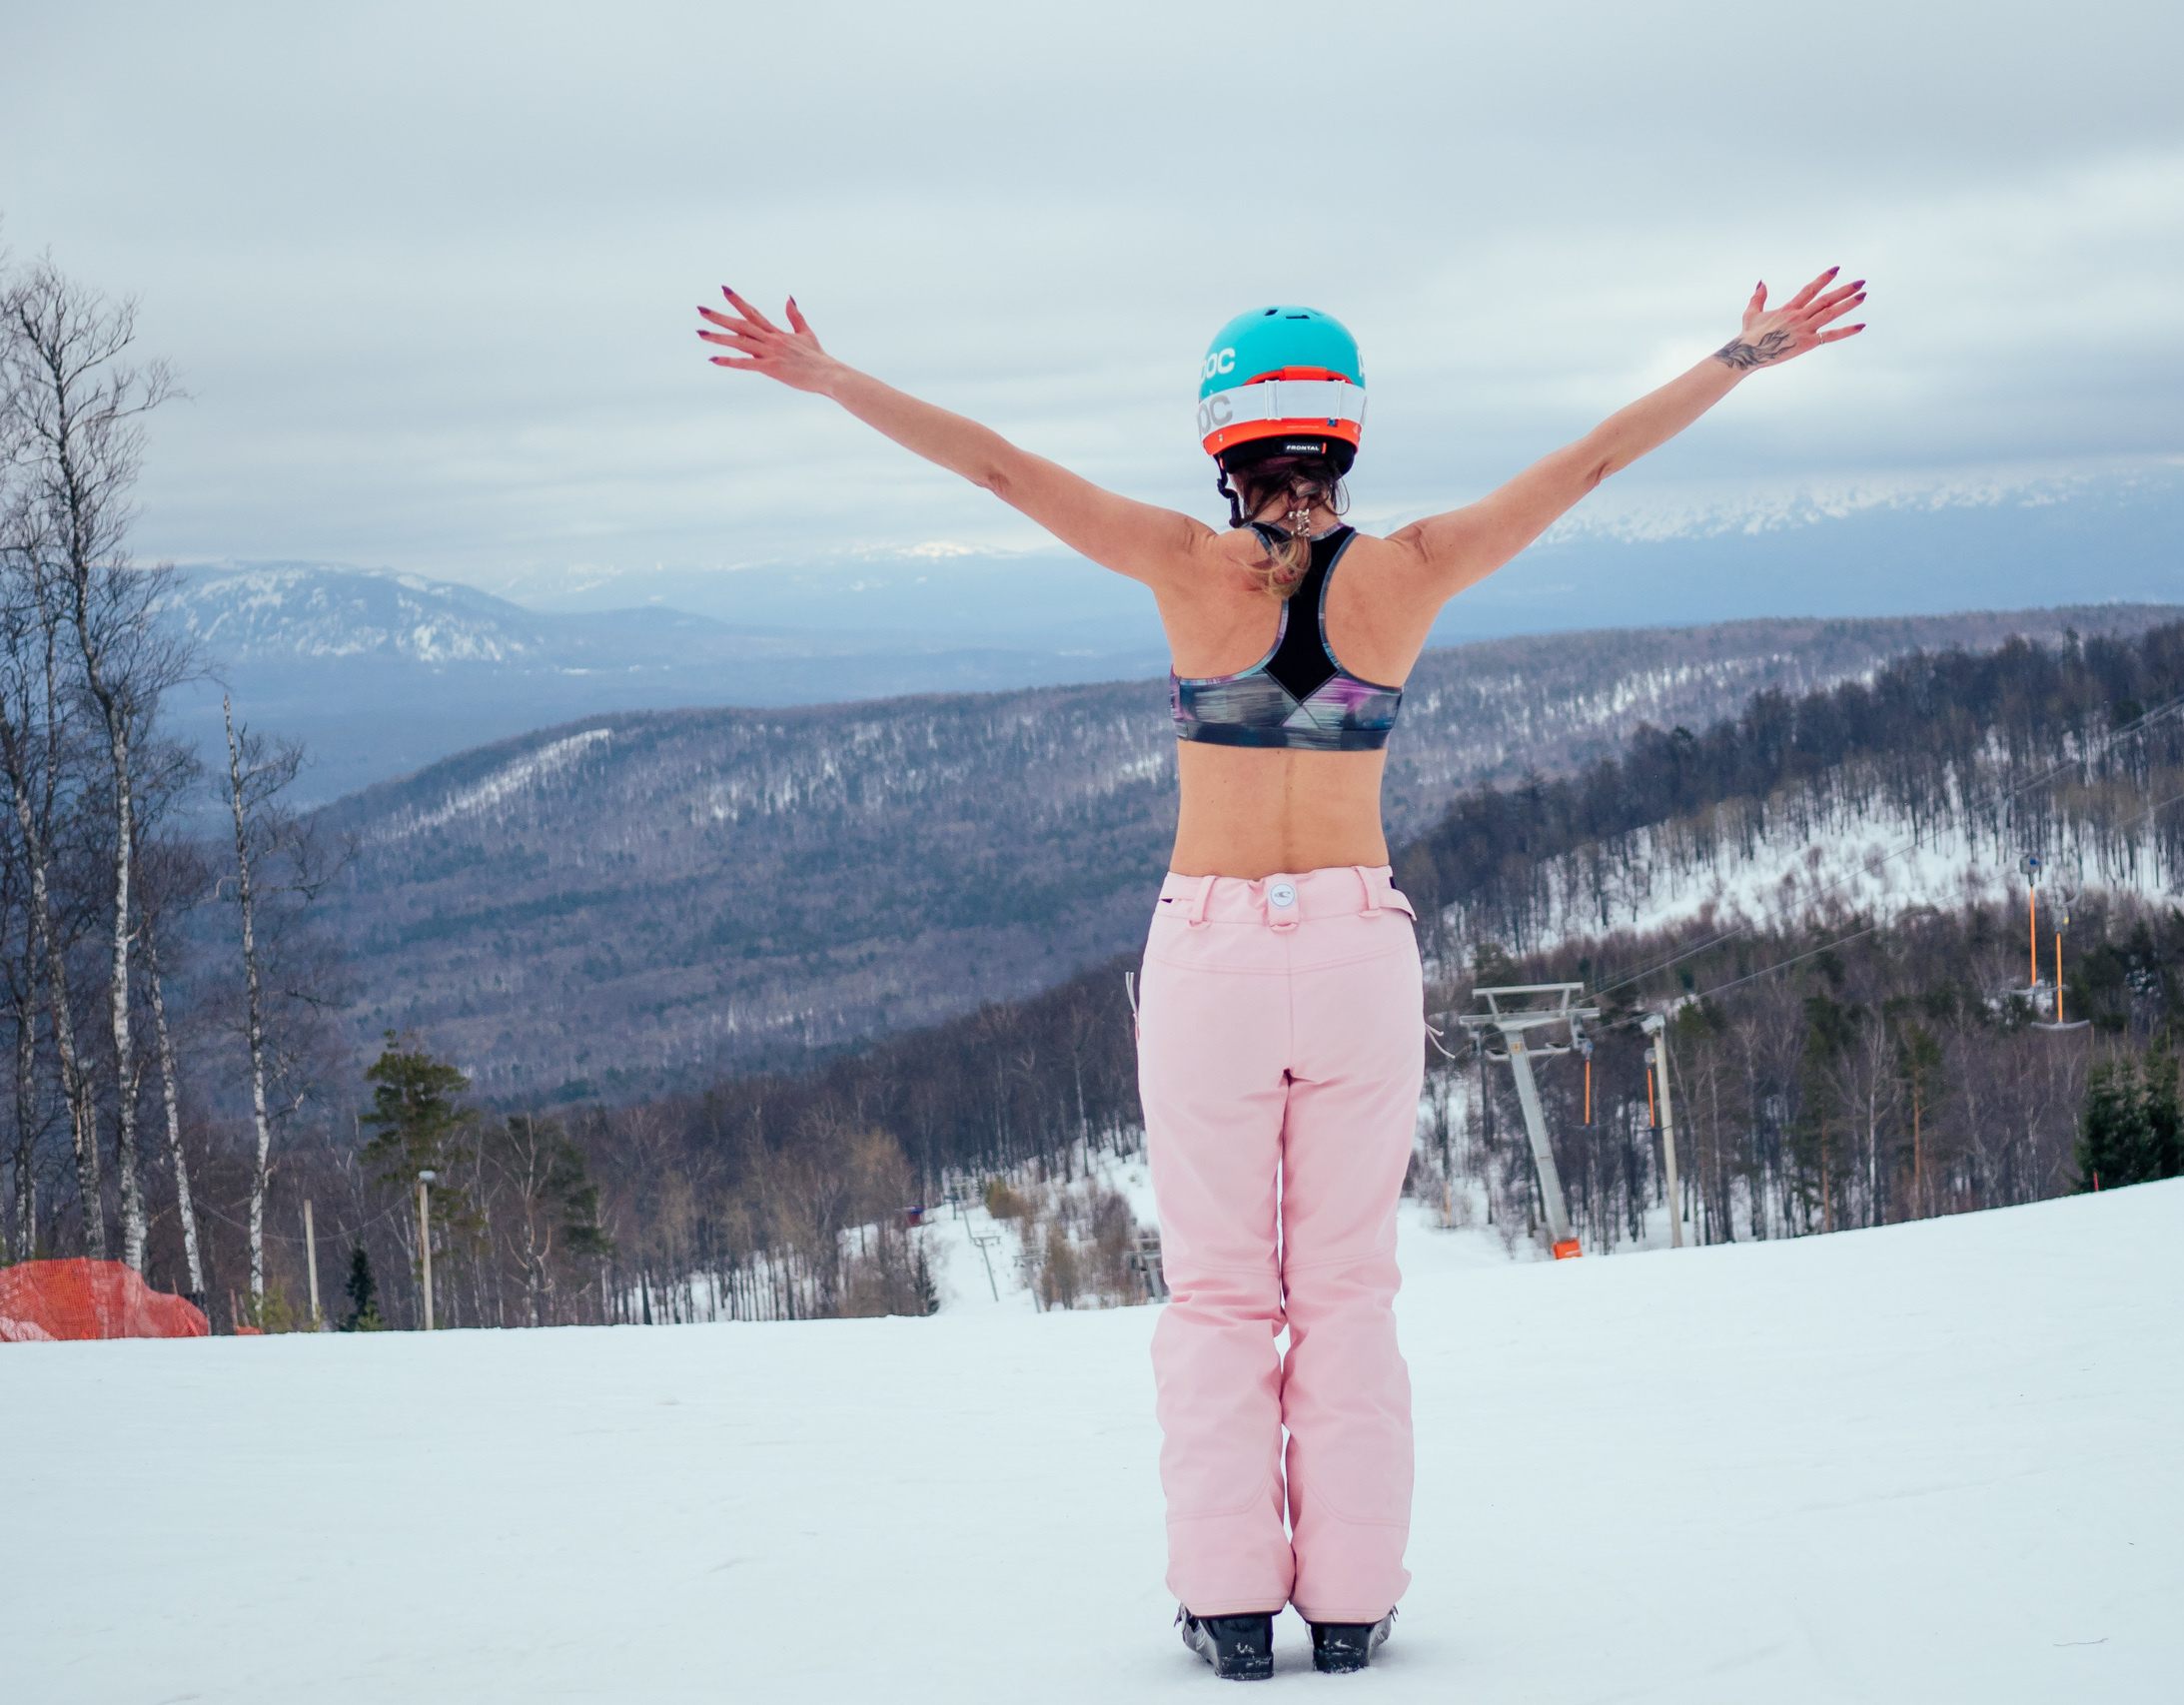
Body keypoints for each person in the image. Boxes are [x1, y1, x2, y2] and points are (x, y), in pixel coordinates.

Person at [697, 273, 1866, 1678]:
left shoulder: (1188, 568)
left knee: (1218, 1298)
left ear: (1222, 439)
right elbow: (1594, 459)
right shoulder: (1413, 568)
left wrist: (831, 378)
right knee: (1348, 1293)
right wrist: (1739, 356)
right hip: (1362, 948)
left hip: (1211, 955)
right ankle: (1357, 1603)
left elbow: (999, 467)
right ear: (1346, 434)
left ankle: (1232, 1604)